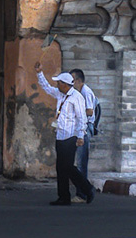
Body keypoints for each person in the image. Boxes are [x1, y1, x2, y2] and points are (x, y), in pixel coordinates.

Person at [35, 62, 96, 205]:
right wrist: (39, 73)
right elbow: (46, 88)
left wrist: (80, 136)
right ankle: (64, 197)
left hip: (71, 136)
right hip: (60, 135)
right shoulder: (60, 94)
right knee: (61, 167)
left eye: (59, 83)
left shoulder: (77, 97)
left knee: (67, 166)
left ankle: (87, 189)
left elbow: (81, 118)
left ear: (65, 84)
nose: (57, 85)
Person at [70, 68, 98, 202]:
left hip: (85, 128)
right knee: (77, 160)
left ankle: (82, 194)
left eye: (72, 80)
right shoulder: (79, 92)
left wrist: (74, 112)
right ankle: (83, 191)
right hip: (80, 128)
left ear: (78, 80)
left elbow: (90, 111)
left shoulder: (86, 92)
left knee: (81, 162)